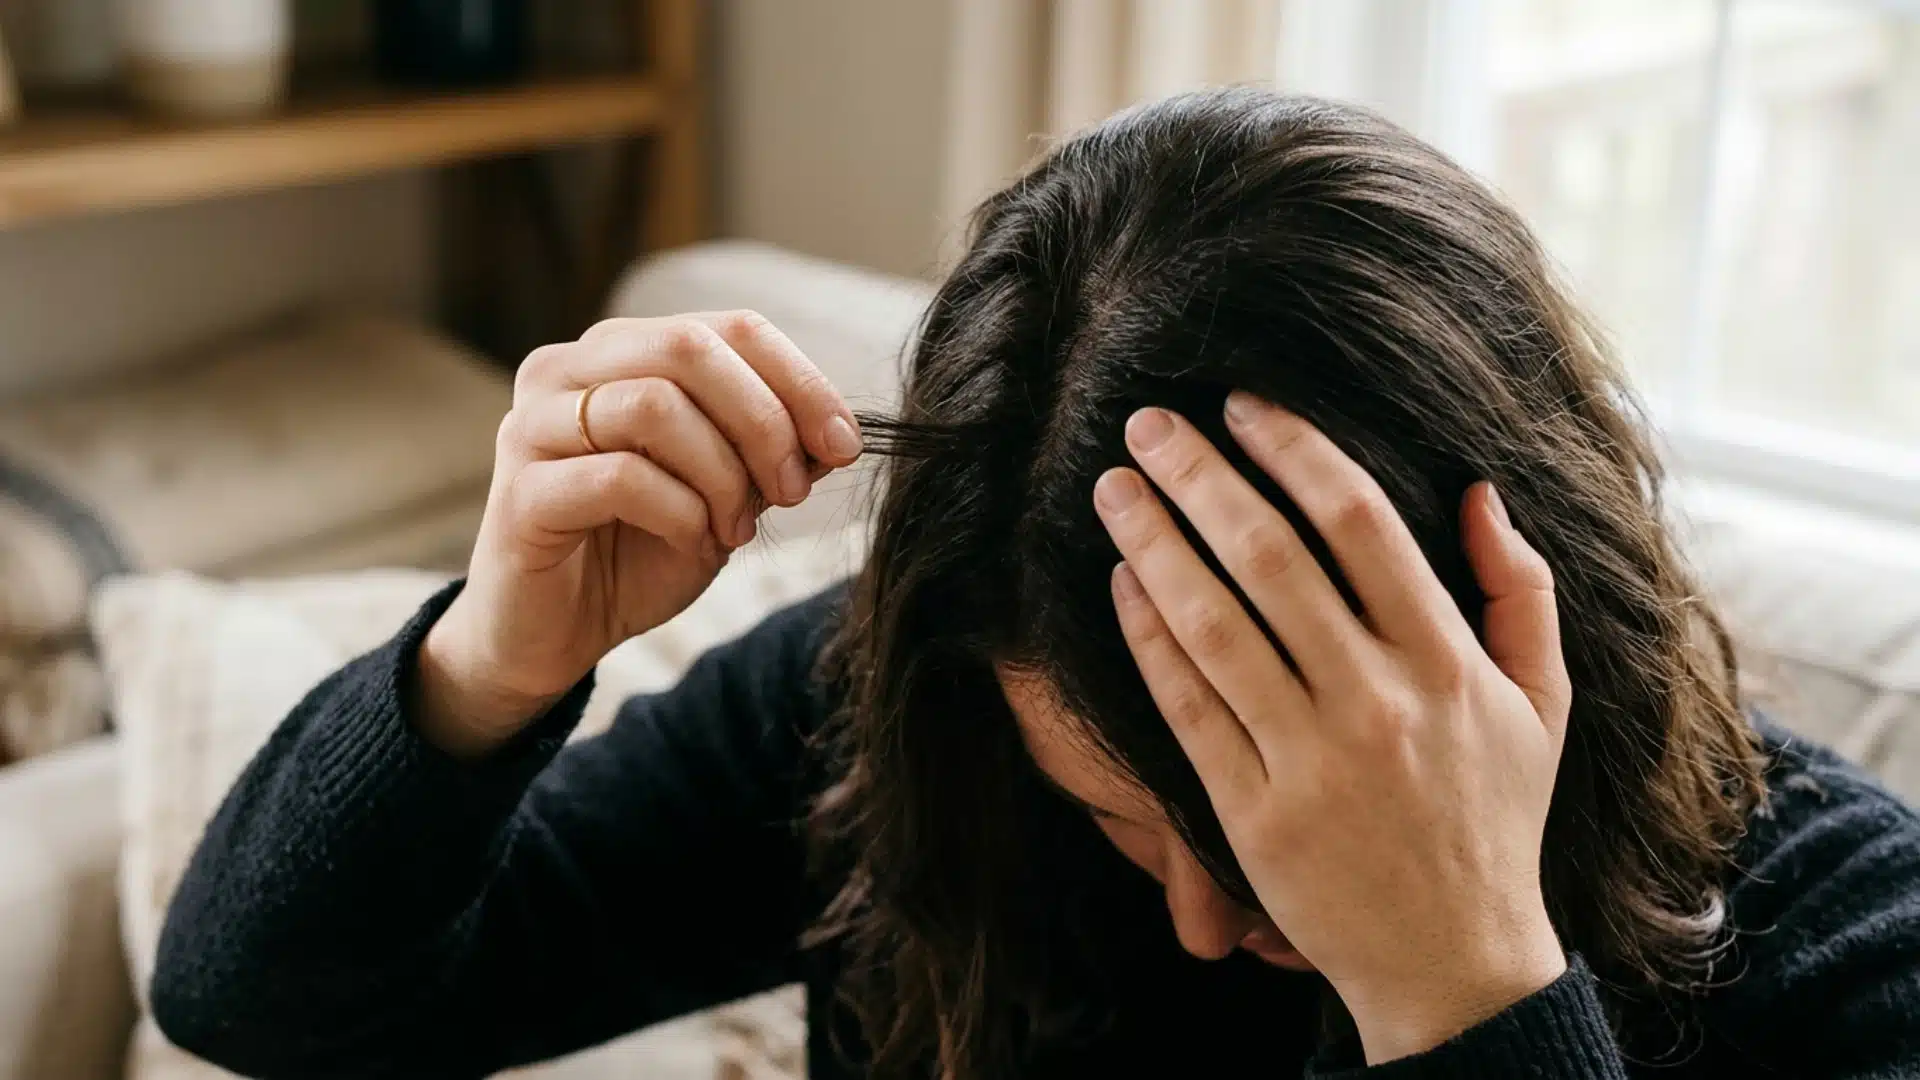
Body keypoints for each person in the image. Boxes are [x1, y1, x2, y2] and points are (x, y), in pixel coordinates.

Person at [150, 89, 1920, 1079]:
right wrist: (487, 666)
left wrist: (1465, 991)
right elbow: (261, 1004)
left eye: (1275, 833)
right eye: (1136, 830)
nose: (1209, 931)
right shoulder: (903, 725)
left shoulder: (1853, 946)